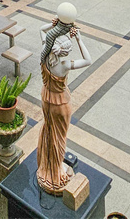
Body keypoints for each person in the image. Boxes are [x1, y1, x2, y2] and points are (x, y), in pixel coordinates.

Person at [37, 16, 92, 194]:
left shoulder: (45, 56)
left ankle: (47, 167)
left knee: (49, 132)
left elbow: (41, 30)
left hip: (46, 99)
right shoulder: (65, 64)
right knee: (59, 138)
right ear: (66, 51)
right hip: (61, 103)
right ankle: (56, 172)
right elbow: (88, 60)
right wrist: (79, 39)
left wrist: (54, 26)